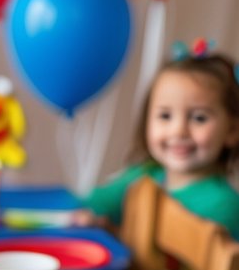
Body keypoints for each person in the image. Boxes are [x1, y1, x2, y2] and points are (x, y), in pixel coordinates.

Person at [74, 42, 239, 239]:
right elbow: (98, 201)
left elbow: (164, 259)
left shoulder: (224, 206)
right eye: (165, 116)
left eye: (199, 118)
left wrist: (114, 232)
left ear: (232, 130)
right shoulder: (146, 174)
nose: (178, 131)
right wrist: (91, 214)